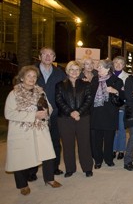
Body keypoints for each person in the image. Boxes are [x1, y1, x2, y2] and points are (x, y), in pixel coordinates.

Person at [4, 65, 62, 196]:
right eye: (29, 76)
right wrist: (33, 115)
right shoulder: (14, 94)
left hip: (40, 130)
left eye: (34, 76)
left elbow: (49, 107)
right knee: (20, 158)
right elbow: (9, 114)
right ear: (22, 78)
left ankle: (49, 179)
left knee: (47, 155)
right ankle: (22, 185)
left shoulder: (40, 92)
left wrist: (47, 112)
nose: (32, 79)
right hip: (22, 131)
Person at [55, 61, 93, 178]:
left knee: (84, 144)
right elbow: (59, 101)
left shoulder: (86, 84)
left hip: (83, 117)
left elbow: (88, 99)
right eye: (72, 69)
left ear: (80, 72)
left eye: (77, 69)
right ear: (67, 71)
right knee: (68, 144)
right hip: (65, 118)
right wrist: (71, 112)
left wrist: (78, 112)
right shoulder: (60, 85)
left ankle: (87, 168)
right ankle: (70, 169)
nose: (74, 72)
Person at [34, 47, 66, 178]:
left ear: (54, 58)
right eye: (45, 54)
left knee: (55, 142)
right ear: (40, 56)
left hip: (55, 113)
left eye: (51, 54)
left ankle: (54, 167)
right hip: (36, 114)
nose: (47, 57)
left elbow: (68, 87)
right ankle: (32, 171)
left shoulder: (60, 73)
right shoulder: (32, 71)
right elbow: (20, 84)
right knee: (35, 142)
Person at [89, 59, 125, 169]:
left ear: (108, 68)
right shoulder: (95, 80)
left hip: (110, 114)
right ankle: (98, 160)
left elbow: (122, 97)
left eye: (100, 67)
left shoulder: (116, 81)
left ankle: (108, 159)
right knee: (96, 140)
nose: (97, 69)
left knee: (109, 139)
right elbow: (90, 96)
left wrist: (115, 91)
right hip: (96, 113)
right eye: (98, 67)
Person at [112, 56, 129, 161]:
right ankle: (113, 149)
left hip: (122, 105)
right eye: (116, 63)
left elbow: (127, 93)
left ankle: (122, 150)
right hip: (110, 107)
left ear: (124, 65)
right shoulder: (108, 75)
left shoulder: (127, 77)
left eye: (121, 63)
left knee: (122, 129)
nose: (118, 65)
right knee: (113, 129)